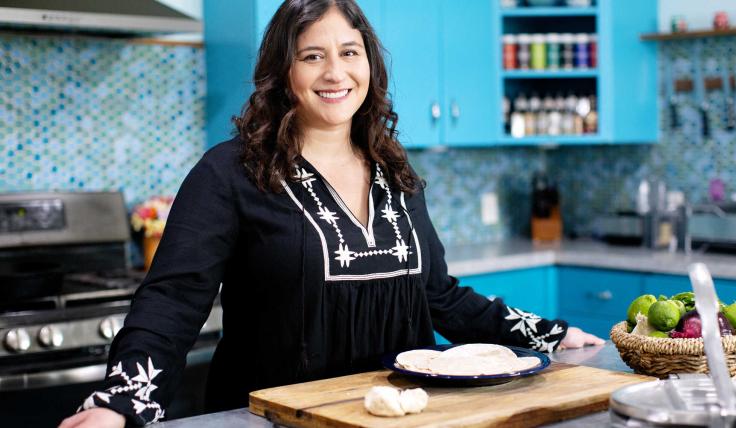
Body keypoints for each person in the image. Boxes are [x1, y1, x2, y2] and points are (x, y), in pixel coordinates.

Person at [59, 1, 603, 426]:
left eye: (350, 52)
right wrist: (122, 400)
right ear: (282, 70)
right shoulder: (231, 171)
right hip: (275, 421)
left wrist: (548, 336)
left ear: (369, 64)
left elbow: (437, 294)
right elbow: (172, 300)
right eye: (312, 55)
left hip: (401, 417)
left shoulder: (392, 166)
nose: (335, 72)